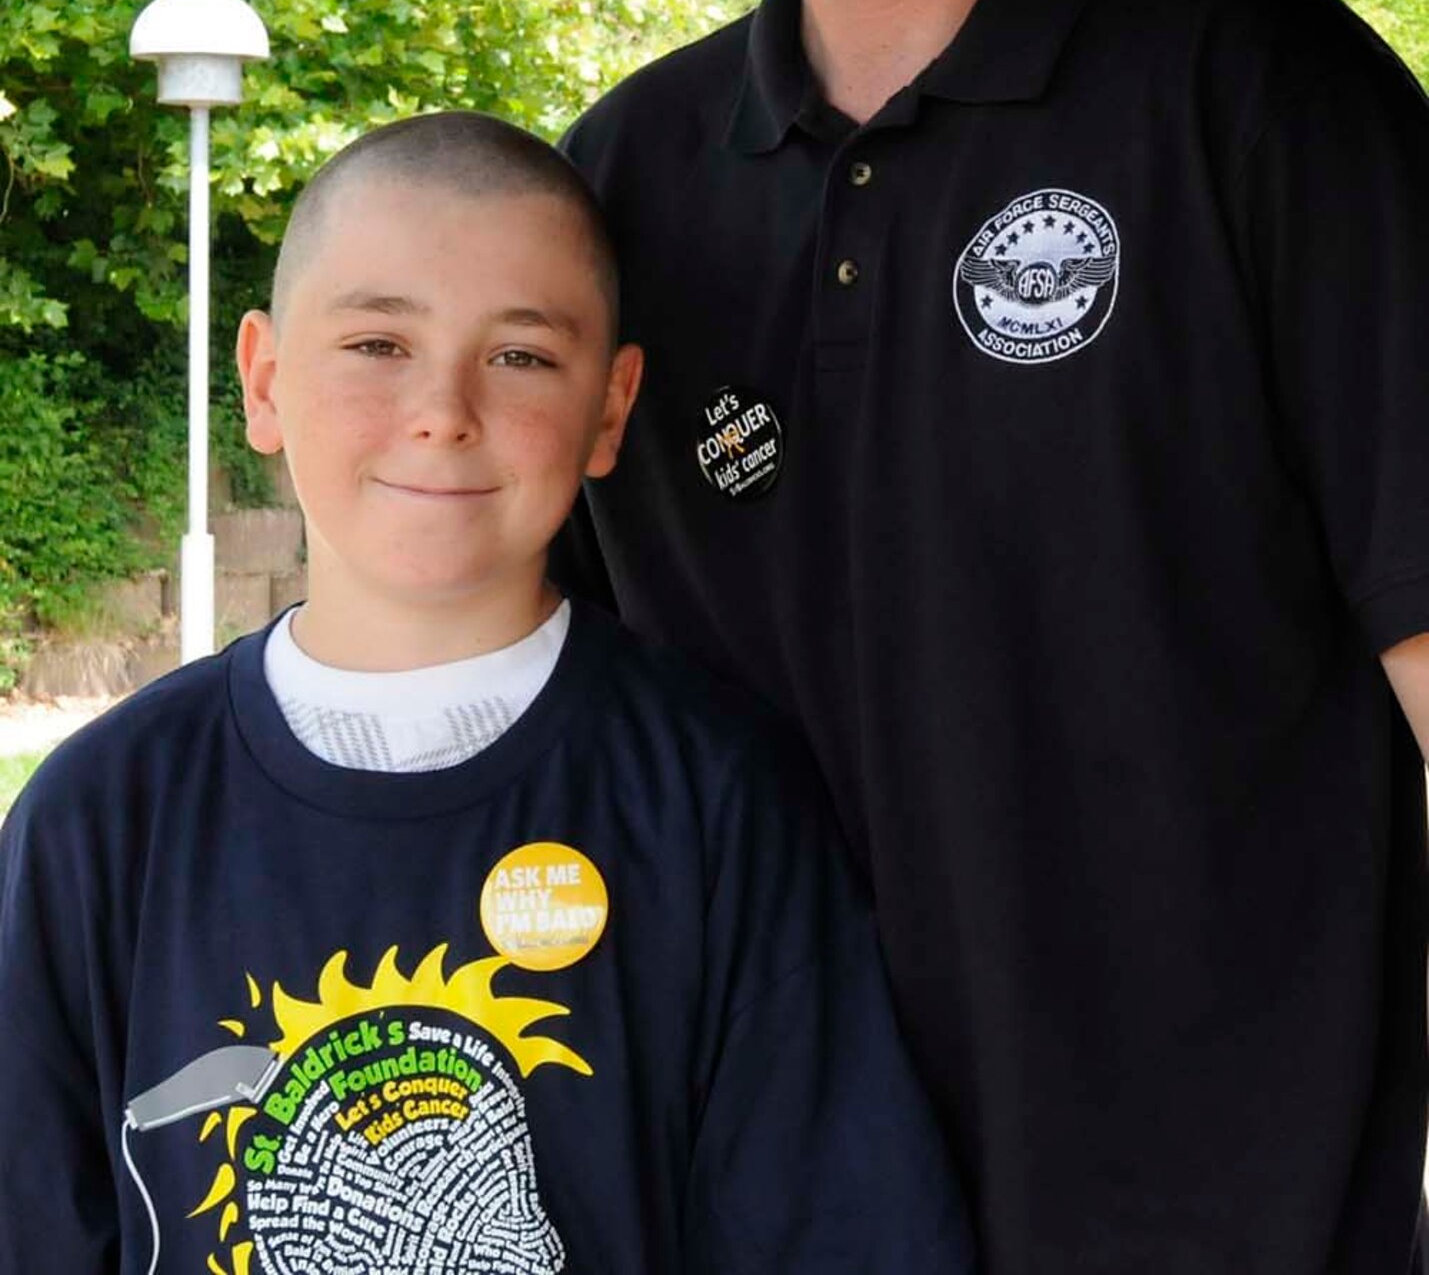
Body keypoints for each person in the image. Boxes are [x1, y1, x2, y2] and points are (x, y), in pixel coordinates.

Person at [558, 0, 1429, 1273]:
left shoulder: (1262, 99)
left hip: (1227, 1221)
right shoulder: (617, 192)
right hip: (761, 1214)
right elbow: (511, 708)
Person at [0, 110, 974, 1275]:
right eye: (375, 344)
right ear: (262, 379)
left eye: (520, 355)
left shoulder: (718, 800)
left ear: (610, 408)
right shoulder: (101, 815)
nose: (443, 409)